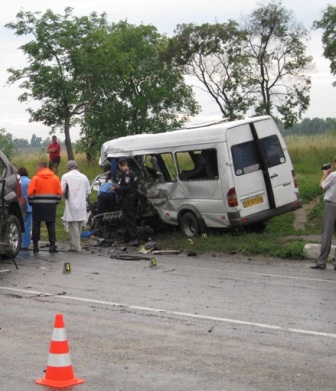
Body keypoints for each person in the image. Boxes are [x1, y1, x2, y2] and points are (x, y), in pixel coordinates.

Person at [28, 161, 62, 253]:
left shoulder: (35, 179)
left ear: (40, 167)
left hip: (37, 205)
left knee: (36, 224)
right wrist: (55, 202)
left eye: (36, 167)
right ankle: (52, 246)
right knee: (51, 224)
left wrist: (31, 203)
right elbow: (59, 193)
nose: (36, 169)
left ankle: (35, 246)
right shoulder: (55, 178)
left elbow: (30, 193)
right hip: (51, 205)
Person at [311, 157, 336, 270]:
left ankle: (322, 262)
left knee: (327, 233)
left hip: (331, 205)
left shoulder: (333, 175)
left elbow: (321, 186)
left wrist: (325, 174)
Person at [61, 160, 91, 252]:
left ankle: (76, 247)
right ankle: (75, 245)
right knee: (78, 226)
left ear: (68, 167)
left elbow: (61, 190)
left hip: (71, 204)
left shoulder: (65, 176)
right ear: (76, 166)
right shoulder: (84, 177)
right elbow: (88, 191)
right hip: (82, 205)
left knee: (73, 226)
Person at [111, 157, 139, 246]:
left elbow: (128, 187)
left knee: (130, 218)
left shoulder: (127, 174)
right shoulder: (132, 172)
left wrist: (116, 188)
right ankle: (127, 237)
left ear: (119, 165)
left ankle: (134, 238)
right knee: (126, 218)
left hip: (128, 198)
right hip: (131, 198)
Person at [17, 167, 32, 251]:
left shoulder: (17, 182)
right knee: (27, 225)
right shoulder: (29, 181)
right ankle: (25, 244)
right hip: (28, 206)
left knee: (18, 224)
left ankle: (18, 243)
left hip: (18, 205)